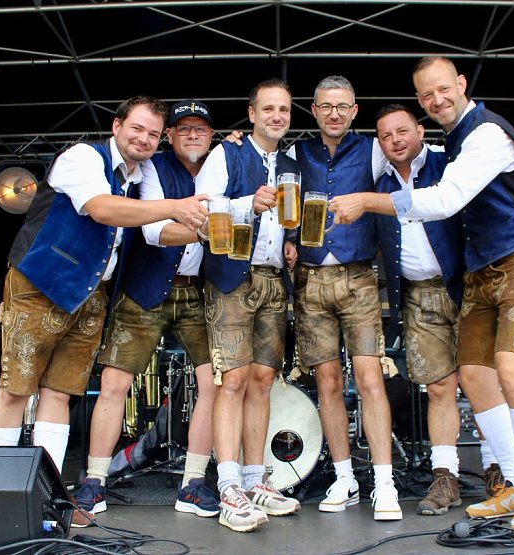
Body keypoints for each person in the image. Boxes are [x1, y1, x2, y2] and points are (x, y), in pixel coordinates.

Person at [328, 57, 514, 537]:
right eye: (427, 94)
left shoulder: (484, 133)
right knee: (476, 378)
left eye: (442, 90)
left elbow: (447, 199)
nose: (437, 100)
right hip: (478, 271)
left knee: (513, 369)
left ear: (460, 84)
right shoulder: (454, 139)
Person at [0, 96, 208, 523]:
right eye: (137, 129)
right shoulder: (82, 156)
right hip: (42, 284)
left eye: (153, 134)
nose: (144, 139)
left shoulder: (140, 174)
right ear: (117, 125)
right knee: (16, 389)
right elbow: (101, 209)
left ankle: (45, 498)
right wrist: (173, 207)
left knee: (59, 394)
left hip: (91, 294)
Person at [371, 104, 514, 517]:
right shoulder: (376, 175)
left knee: (495, 377)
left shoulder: (449, 159)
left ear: (421, 131)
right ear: (379, 143)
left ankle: (505, 476)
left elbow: (502, 183)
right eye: (386, 136)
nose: (396, 140)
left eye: (403, 131)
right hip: (418, 293)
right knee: (442, 387)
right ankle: (446, 476)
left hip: (467, 280)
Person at [73, 100, 219, 523]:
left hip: (199, 292)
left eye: (201, 129)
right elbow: (155, 233)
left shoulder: (221, 166)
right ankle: (95, 480)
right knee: (116, 381)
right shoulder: (153, 168)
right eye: (183, 129)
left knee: (214, 383)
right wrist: (211, 226)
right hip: (146, 288)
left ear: (211, 136)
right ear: (168, 136)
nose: (193, 135)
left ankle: (193, 481)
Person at [288, 75, 402, 521]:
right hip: (310, 279)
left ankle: (385, 482)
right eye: (325, 106)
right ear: (314, 111)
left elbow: (421, 161)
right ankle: (344, 477)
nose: (334, 113)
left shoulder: (374, 148)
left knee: (371, 380)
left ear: (354, 111)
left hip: (359, 278)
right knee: (328, 383)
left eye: (342, 106)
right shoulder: (297, 152)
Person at [194, 78, 301, 533]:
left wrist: (292, 242)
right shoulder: (227, 152)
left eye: (284, 110)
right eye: (269, 109)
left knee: (262, 380)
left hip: (274, 279)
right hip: (232, 278)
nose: (277, 116)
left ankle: (258, 479)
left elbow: (290, 220)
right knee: (232, 380)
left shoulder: (293, 162)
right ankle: (228, 484)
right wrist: (246, 204)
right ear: (252, 113)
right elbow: (202, 206)